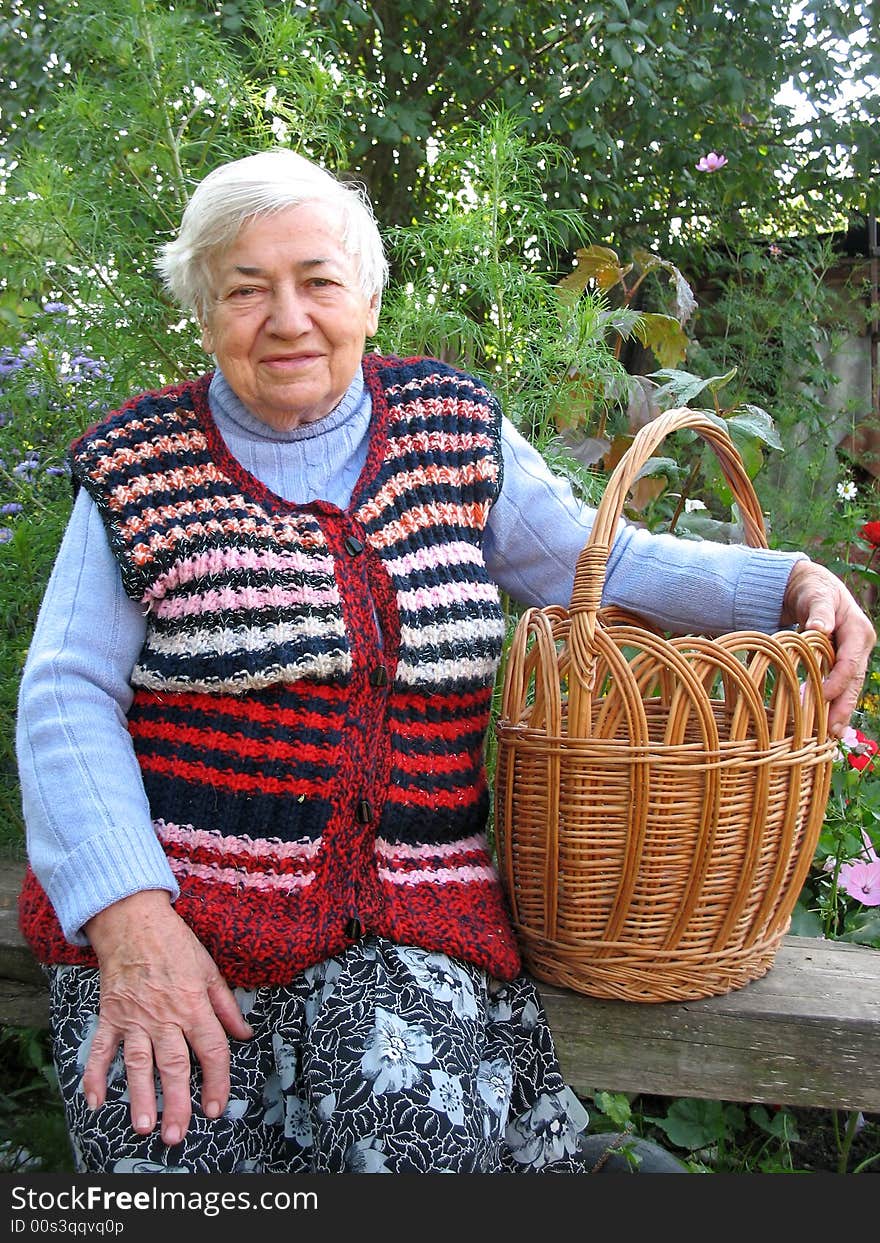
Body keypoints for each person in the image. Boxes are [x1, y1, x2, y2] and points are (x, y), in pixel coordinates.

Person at [16, 150, 875, 1176]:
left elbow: (597, 562)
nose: (287, 317)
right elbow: (67, 693)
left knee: (410, 1152)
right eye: (246, 290)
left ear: (367, 299)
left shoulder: (448, 430)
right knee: (162, 1164)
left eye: (318, 281)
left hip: (409, 931)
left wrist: (785, 583)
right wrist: (128, 916)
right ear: (204, 313)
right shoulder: (136, 464)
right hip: (177, 930)